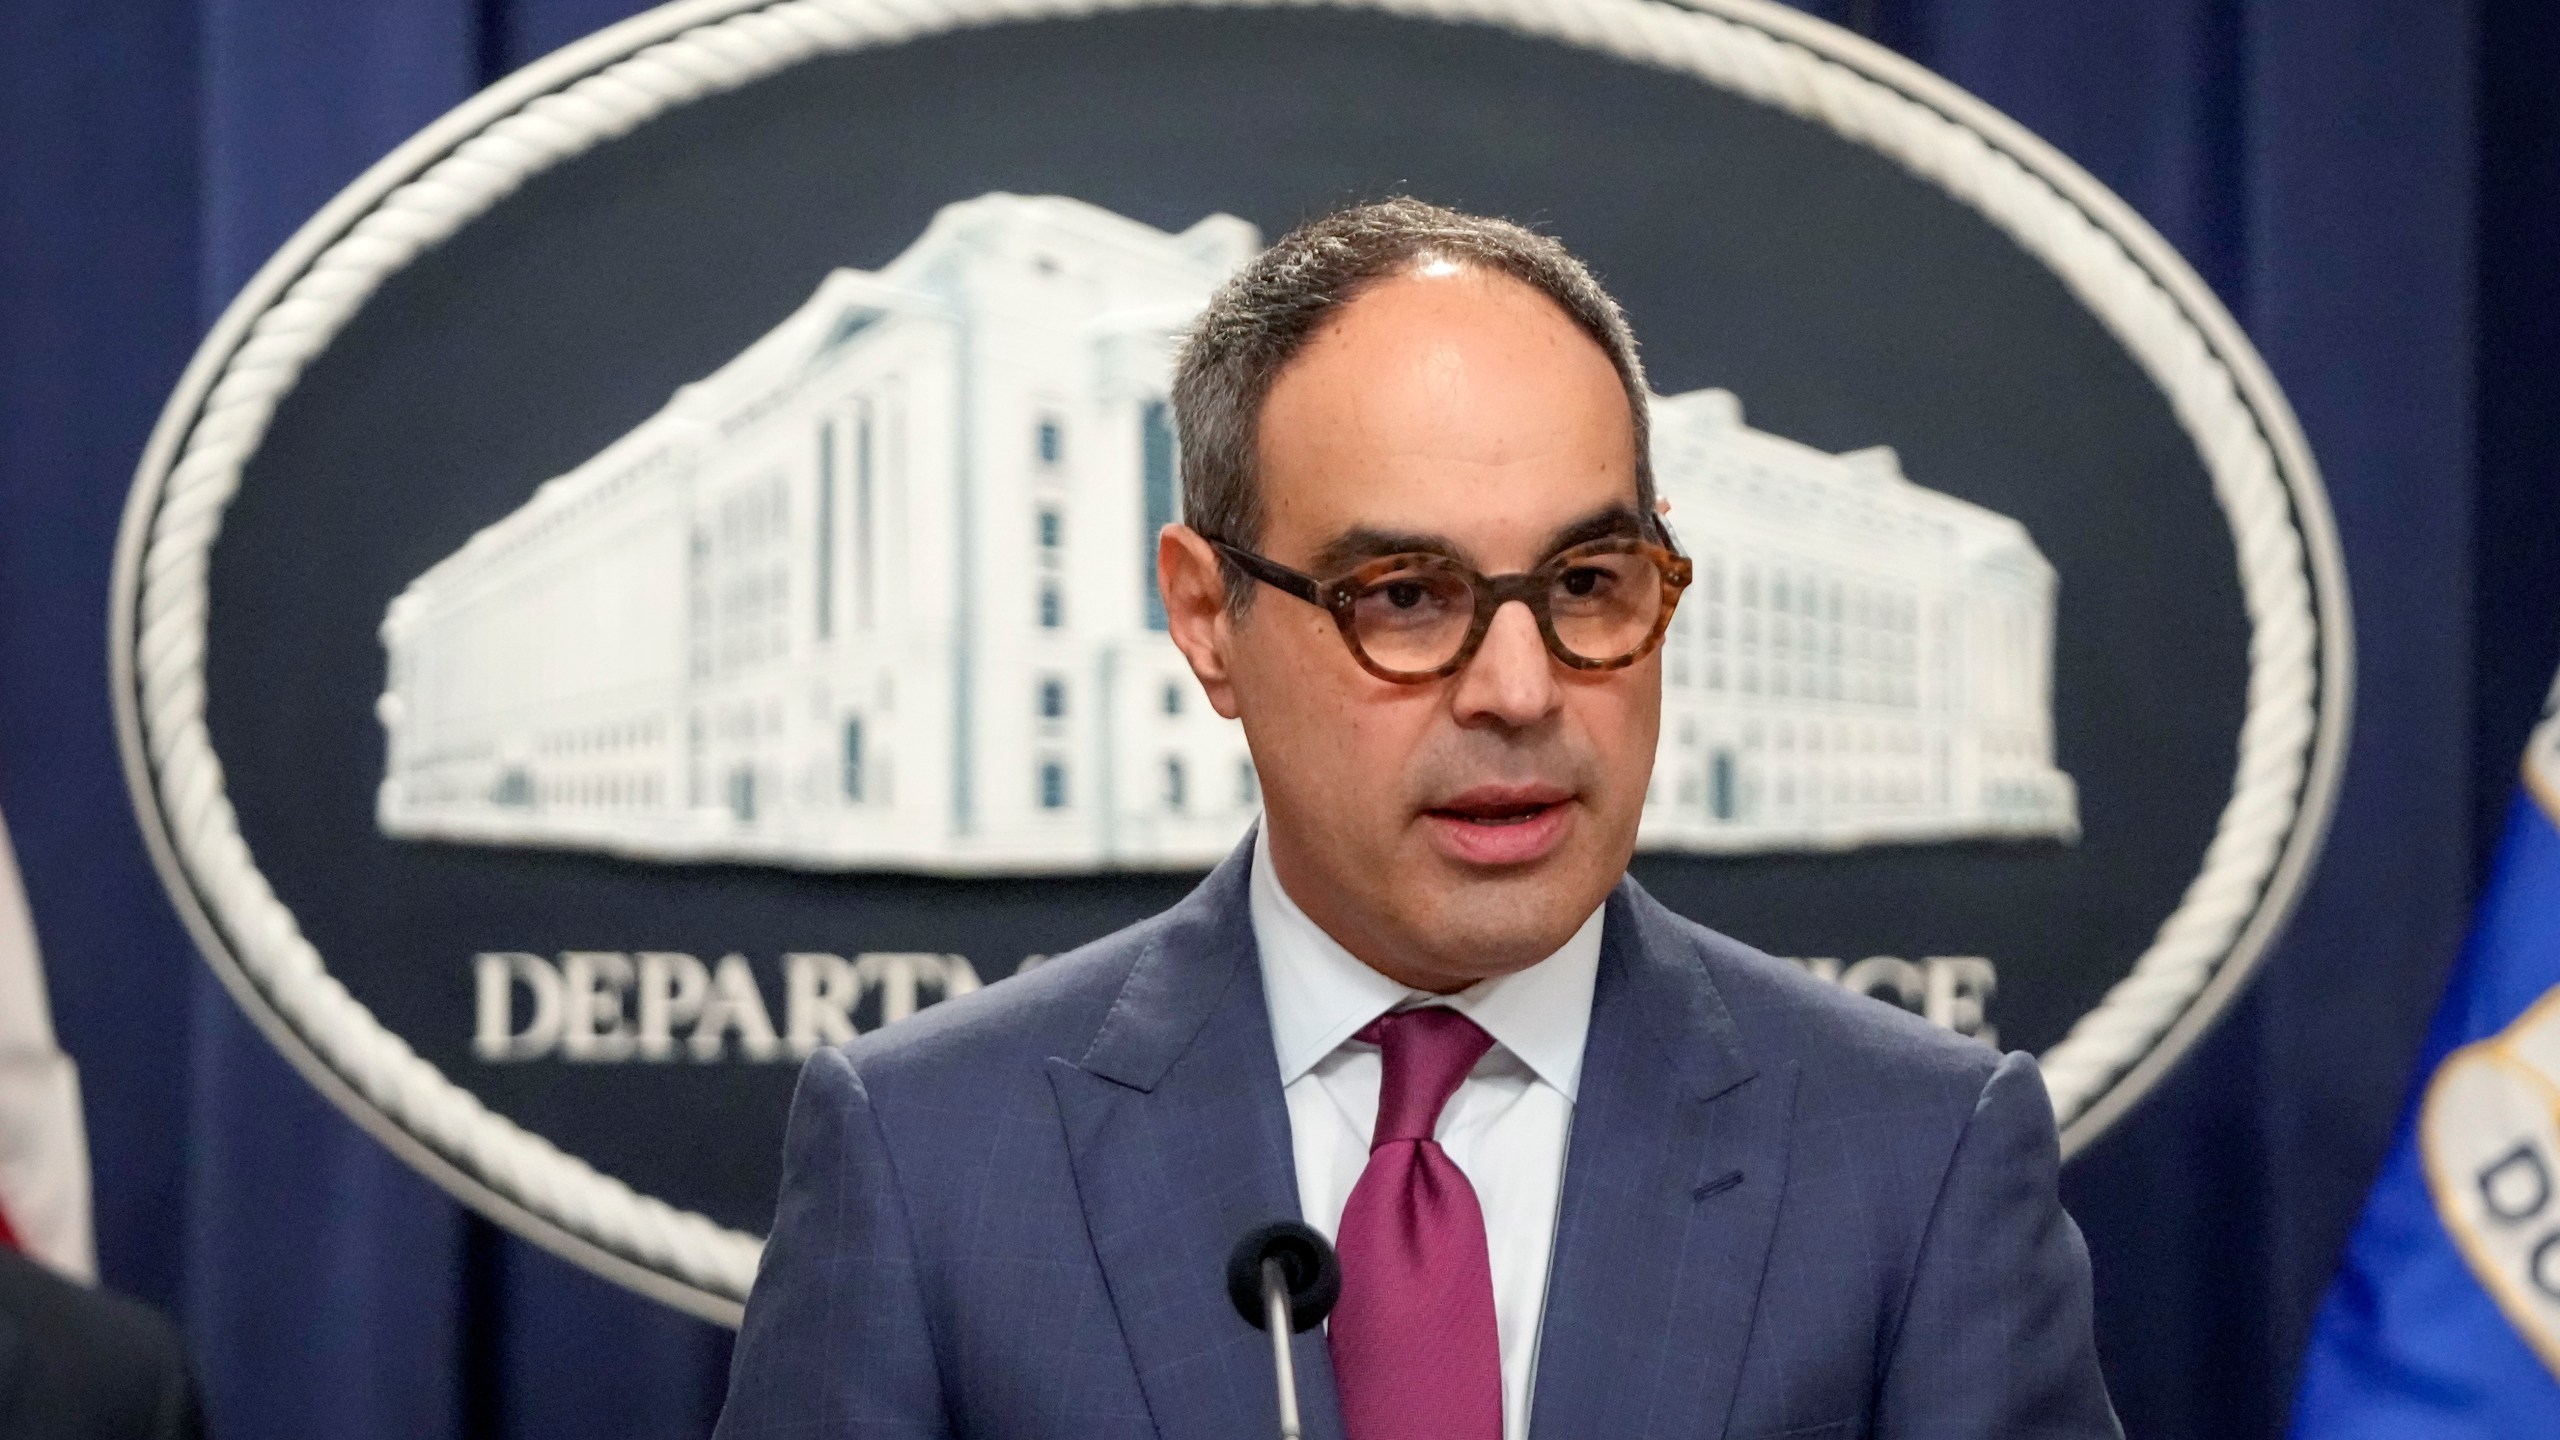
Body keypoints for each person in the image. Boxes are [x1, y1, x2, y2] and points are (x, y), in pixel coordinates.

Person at [714, 198, 2120, 1440]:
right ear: (1210, 619)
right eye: (1404, 595)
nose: (1520, 691)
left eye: (1585, 583)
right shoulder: (926, 1157)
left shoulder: (1918, 1155)